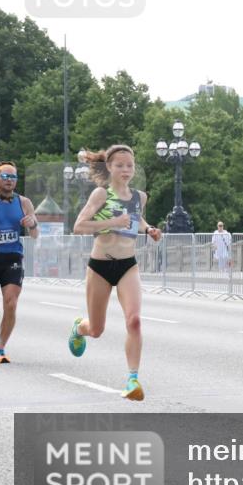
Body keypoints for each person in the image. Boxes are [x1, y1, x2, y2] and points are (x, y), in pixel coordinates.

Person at [68, 145, 162, 401]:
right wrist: (112, 223)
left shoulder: (139, 197)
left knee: (134, 320)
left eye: (129, 165)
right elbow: (79, 226)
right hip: (100, 267)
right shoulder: (101, 194)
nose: (125, 170)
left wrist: (149, 230)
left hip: (127, 266)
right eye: (120, 165)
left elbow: (137, 219)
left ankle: (133, 379)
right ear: (109, 167)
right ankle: (79, 328)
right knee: (97, 329)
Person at [0, 161, 39, 364]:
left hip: (13, 257)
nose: (9, 180)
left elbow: (35, 234)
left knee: (10, 304)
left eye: (13, 177)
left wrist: (32, 224)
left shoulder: (24, 202)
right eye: (5, 176)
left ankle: (0, 348)